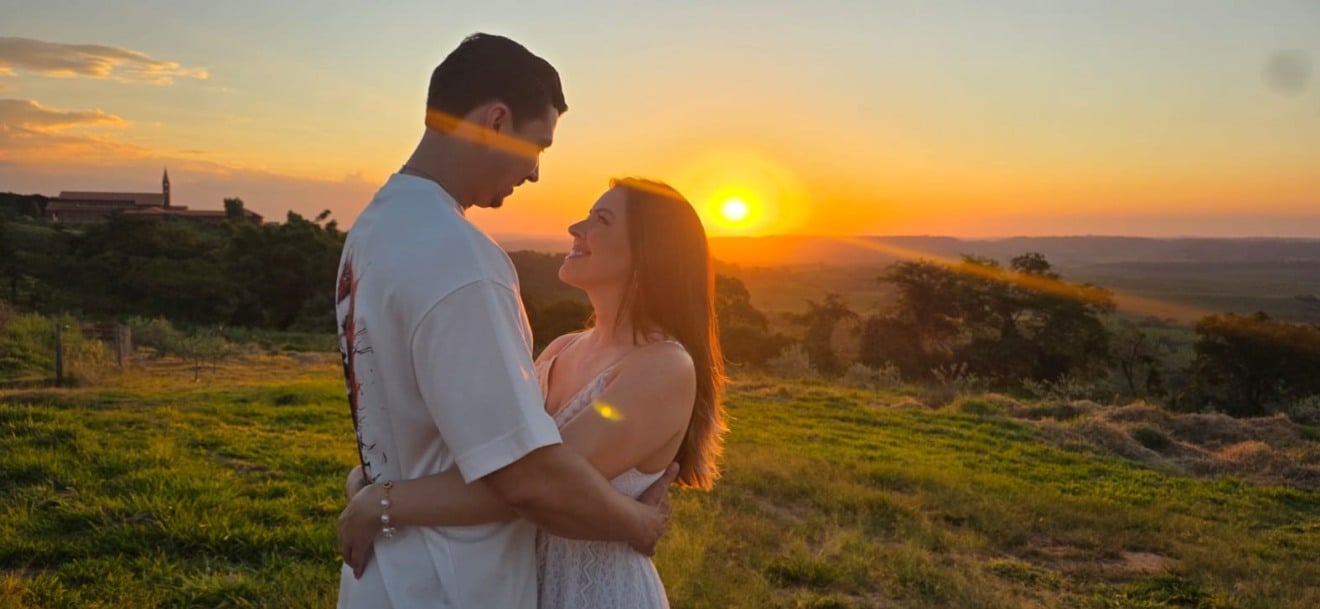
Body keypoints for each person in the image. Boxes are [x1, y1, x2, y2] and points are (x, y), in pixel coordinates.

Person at [334, 34, 677, 609]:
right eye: (538, 144)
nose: (536, 173)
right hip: (451, 585)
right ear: (496, 121)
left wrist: (373, 491)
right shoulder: (460, 260)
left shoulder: (374, 231)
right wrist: (638, 524)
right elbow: (526, 478)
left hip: (386, 575)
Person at [339, 178, 727, 609]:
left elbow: (537, 485)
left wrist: (384, 501)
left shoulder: (664, 367)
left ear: (650, 251)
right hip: (514, 586)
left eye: (601, 220)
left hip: (593, 594)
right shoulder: (561, 348)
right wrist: (376, 476)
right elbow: (494, 462)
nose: (575, 228)